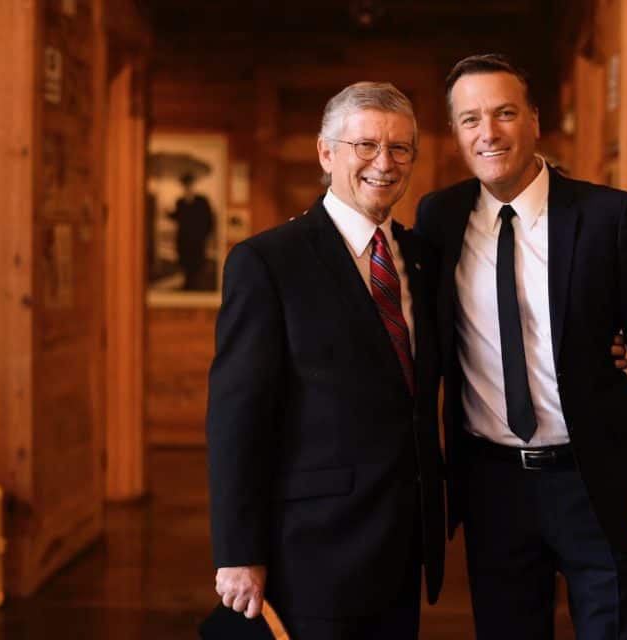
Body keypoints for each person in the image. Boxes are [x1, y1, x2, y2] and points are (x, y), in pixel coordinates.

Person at [415, 53, 627, 640]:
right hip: (492, 485)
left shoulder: (607, 215)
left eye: (504, 113)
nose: (488, 132)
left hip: (596, 477)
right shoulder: (438, 220)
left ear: (534, 120)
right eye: (470, 119)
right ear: (456, 133)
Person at [205, 81, 445, 640]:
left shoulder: (425, 259)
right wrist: (239, 553)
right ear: (326, 153)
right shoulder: (266, 262)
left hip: (405, 542)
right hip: (309, 548)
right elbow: (237, 420)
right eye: (364, 145)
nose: (383, 163)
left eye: (400, 149)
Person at [170, 172, 214, 290]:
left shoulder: (201, 201)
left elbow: (209, 219)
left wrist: (206, 236)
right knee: (186, 263)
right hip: (184, 240)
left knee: (196, 265)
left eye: (189, 184)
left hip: (197, 240)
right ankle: (188, 286)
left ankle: (194, 286)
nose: (187, 187)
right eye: (185, 185)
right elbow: (179, 217)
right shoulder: (180, 202)